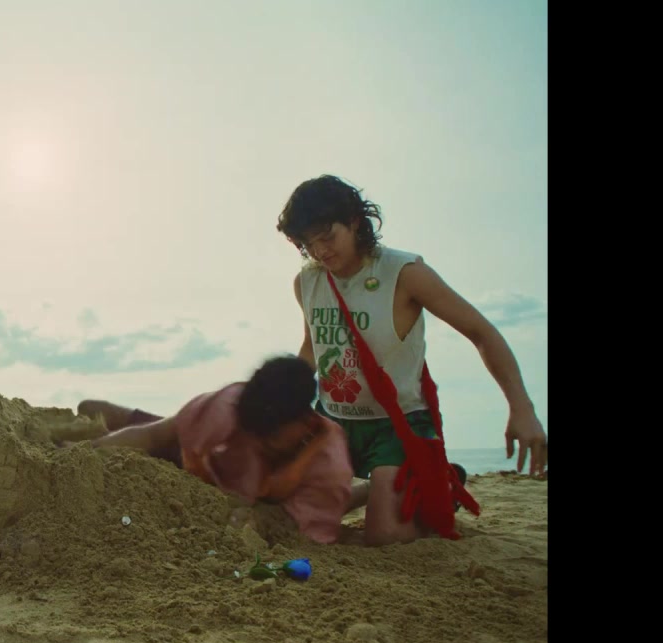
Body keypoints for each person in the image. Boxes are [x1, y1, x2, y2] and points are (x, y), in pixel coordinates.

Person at [280, 174, 547, 545]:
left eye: (326, 236)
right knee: (296, 516)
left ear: (354, 221)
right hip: (334, 420)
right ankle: (381, 489)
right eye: (308, 244)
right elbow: (313, 346)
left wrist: (522, 408)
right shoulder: (308, 281)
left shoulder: (404, 273)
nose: (320, 251)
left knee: (384, 536)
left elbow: (482, 332)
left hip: (398, 421)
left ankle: (431, 486)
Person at [69, 355, 358, 544]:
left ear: (304, 423)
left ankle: (364, 489)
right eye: (250, 433)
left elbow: (299, 528)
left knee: (338, 501)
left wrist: (254, 518)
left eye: (267, 441)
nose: (255, 445)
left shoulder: (327, 466)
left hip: (249, 489)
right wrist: (83, 454)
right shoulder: (228, 407)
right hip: (193, 460)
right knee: (90, 408)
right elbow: (155, 436)